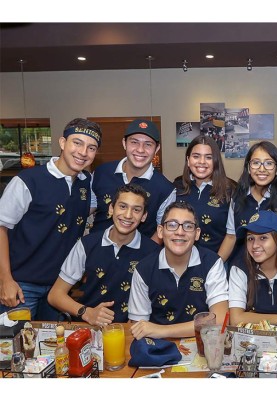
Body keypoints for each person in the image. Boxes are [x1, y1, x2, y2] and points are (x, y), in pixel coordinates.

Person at [0, 118, 102, 320]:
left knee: (53, 348)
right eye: (77, 143)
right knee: (15, 347)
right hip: (21, 285)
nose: (83, 152)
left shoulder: (85, 183)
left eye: (91, 148)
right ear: (63, 143)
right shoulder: (28, 181)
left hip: (59, 288)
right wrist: (5, 279)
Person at [47, 184, 161, 325]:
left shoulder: (154, 253)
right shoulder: (87, 244)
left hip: (132, 330)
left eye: (136, 210)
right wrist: (87, 313)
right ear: (111, 208)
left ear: (144, 216)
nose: (128, 215)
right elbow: (55, 295)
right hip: (89, 326)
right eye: (123, 206)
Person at [128, 201, 228, 339]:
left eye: (188, 226)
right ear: (160, 231)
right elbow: (139, 327)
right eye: (172, 225)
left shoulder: (212, 263)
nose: (180, 232)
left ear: (197, 233)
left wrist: (160, 330)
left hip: (201, 344)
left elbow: (220, 320)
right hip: (159, 348)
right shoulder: (144, 269)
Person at [90, 118, 175, 240]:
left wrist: (147, 257)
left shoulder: (165, 189)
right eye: (134, 142)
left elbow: (161, 230)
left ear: (156, 149)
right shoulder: (101, 172)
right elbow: (87, 208)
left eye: (148, 144)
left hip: (139, 256)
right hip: (96, 251)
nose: (140, 150)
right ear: (124, 143)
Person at [218, 141, 277, 266]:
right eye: (256, 163)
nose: (262, 169)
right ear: (249, 168)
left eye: (269, 163)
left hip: (274, 268)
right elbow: (230, 237)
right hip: (241, 268)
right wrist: (213, 269)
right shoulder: (238, 195)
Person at [174, 135, 236, 256]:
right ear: (188, 160)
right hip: (180, 260)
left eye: (208, 157)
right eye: (196, 156)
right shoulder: (176, 188)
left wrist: (216, 266)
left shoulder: (230, 190)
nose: (202, 162)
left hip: (216, 261)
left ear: (216, 161)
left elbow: (231, 236)